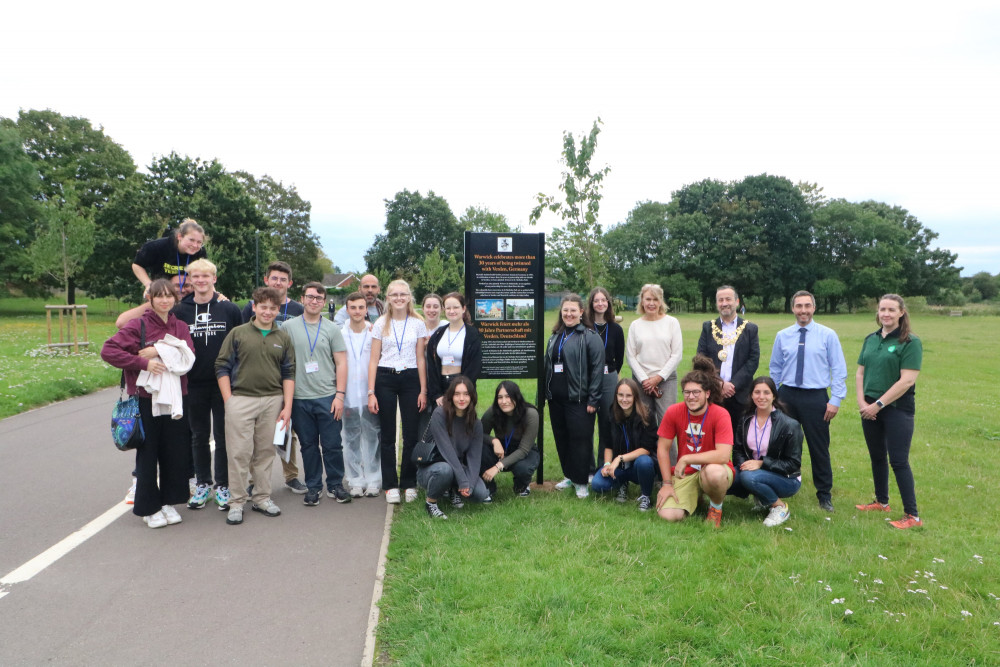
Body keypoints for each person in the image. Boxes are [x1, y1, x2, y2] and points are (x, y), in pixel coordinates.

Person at [101, 279, 196, 528]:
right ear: (150, 299)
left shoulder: (180, 326)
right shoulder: (138, 325)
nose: (164, 300)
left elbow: (188, 355)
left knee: (174, 453)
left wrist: (157, 350)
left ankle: (168, 502)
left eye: (169, 296)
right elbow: (109, 351)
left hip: (176, 399)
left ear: (175, 299)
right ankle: (148, 508)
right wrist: (144, 363)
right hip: (146, 399)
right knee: (148, 454)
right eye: (159, 296)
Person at [215, 286, 295, 525]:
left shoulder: (282, 337)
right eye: (263, 307)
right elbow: (222, 367)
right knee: (239, 452)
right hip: (241, 400)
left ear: (278, 310)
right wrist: (229, 400)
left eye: (272, 308)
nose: (267, 312)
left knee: (265, 453)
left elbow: (289, 372)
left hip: (272, 401)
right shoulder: (238, 333)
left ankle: (261, 497)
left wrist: (287, 406)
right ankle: (237, 502)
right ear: (254, 307)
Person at [173, 259, 243, 511]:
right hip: (193, 383)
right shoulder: (180, 310)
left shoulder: (229, 309)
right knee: (198, 435)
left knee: (224, 436)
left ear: (214, 279)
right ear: (189, 280)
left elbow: (240, 344)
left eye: (206, 276)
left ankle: (223, 486)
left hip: (224, 383)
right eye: (196, 276)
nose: (201, 281)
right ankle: (203, 483)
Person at [769, 290, 847, 512]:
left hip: (816, 397)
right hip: (787, 396)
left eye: (807, 306)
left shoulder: (827, 335)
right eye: (799, 306)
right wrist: (774, 397)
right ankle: (777, 486)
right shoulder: (782, 335)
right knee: (781, 444)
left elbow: (838, 369)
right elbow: (775, 367)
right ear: (792, 309)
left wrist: (836, 399)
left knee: (818, 447)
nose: (803, 310)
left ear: (814, 308)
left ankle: (824, 494)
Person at [855, 294, 923, 529]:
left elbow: (907, 381)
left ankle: (912, 516)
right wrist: (862, 402)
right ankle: (882, 501)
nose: (886, 314)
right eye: (883, 309)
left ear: (901, 312)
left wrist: (879, 404)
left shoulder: (910, 342)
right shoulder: (871, 339)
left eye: (891, 310)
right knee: (876, 456)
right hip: (870, 407)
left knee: (899, 460)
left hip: (896, 409)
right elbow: (860, 373)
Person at [241, 261, 308, 494]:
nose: (278, 283)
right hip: (259, 380)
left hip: (289, 378)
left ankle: (291, 476)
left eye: (283, 279)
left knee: (287, 430)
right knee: (257, 434)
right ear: (266, 280)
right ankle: (253, 482)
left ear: (289, 283)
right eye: (274, 278)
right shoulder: (251, 307)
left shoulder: (299, 309)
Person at [285, 282, 351, 506]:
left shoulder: (332, 328)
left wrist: (340, 395)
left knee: (332, 445)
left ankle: (335, 484)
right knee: (308, 445)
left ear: (324, 302)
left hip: (327, 396)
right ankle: (314, 486)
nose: (314, 301)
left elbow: (341, 363)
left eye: (319, 298)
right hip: (300, 397)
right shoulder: (288, 327)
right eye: (310, 297)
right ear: (302, 298)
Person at [655, 356, 734, 527]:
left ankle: (715, 508)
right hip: (687, 473)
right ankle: (695, 496)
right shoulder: (673, 411)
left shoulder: (721, 414)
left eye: (696, 392)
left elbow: (723, 455)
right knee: (668, 515)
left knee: (714, 473)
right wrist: (667, 483)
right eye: (687, 392)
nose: (691, 397)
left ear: (707, 393)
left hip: (715, 468)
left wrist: (687, 458)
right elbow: (662, 448)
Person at [368, 279, 428, 504]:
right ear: (388, 298)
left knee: (411, 433)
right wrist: (371, 392)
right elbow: (373, 360)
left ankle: (409, 483)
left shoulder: (418, 323)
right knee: (388, 434)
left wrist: (423, 390)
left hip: (411, 377)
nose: (399, 298)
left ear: (409, 297)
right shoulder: (380, 323)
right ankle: (390, 484)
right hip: (385, 377)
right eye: (394, 294)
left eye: (403, 294)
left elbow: (421, 358)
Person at [544, 294, 604, 498]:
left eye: (573, 310)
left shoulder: (589, 336)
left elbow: (597, 370)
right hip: (556, 399)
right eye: (565, 310)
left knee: (580, 440)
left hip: (580, 400)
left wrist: (594, 399)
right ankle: (570, 475)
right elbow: (548, 366)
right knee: (563, 439)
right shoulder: (555, 335)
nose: (568, 314)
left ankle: (581, 481)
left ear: (581, 312)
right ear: (561, 312)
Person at [728, 377, 803, 527]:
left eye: (766, 393)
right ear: (751, 395)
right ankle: (761, 497)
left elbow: (793, 464)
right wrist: (744, 465)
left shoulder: (790, 425)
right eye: (757, 392)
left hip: (786, 478)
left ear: (774, 396)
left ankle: (780, 508)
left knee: (750, 478)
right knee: (724, 479)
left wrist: (762, 463)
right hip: (750, 472)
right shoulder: (745, 420)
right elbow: (738, 450)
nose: (761, 397)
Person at [418, 376, 489, 519]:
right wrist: (463, 480)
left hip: (456, 466)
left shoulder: (476, 423)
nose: (461, 398)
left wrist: (471, 485)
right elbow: (447, 451)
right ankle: (431, 503)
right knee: (445, 470)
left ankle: (453, 490)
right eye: (457, 394)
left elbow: (474, 457)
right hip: (433, 468)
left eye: (466, 394)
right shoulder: (440, 414)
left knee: (480, 494)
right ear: (450, 396)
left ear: (472, 397)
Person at [696, 285, 760, 432]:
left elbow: (753, 360)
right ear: (717, 303)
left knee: (741, 439)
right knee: (712, 437)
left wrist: (733, 385)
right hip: (713, 393)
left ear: (737, 302)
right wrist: (719, 383)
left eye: (728, 299)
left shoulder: (750, 328)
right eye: (720, 300)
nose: (724, 303)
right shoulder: (708, 327)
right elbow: (701, 358)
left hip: (740, 394)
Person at [590, 378, 658, 512]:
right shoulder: (611, 413)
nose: (624, 399)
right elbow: (607, 444)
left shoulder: (646, 414)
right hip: (619, 468)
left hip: (639, 466)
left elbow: (646, 449)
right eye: (620, 395)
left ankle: (646, 496)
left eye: (628, 395)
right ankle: (622, 483)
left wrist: (619, 458)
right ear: (616, 396)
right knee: (597, 484)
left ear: (635, 397)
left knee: (644, 462)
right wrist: (607, 465)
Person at [341, 291, 382, 497]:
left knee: (372, 437)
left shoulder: (374, 332)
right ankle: (355, 479)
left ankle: (374, 478)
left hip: (369, 393)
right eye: (353, 308)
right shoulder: (340, 333)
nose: (357, 311)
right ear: (347, 309)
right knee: (350, 438)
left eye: (361, 307)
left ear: (367, 309)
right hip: (348, 394)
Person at [626, 283, 683, 429]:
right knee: (644, 421)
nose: (651, 303)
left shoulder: (672, 323)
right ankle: (647, 452)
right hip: (641, 382)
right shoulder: (635, 325)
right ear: (642, 301)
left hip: (666, 379)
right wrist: (645, 380)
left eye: (655, 299)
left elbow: (676, 354)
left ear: (661, 301)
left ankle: (668, 453)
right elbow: (631, 356)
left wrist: (658, 378)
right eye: (648, 299)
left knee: (667, 422)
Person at [586, 287, 625, 476]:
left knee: (607, 422)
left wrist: (613, 375)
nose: (600, 303)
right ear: (591, 304)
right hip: (587, 378)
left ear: (608, 303)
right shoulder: (584, 327)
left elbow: (620, 357)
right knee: (586, 423)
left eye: (603, 300)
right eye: (596, 300)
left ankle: (604, 465)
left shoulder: (616, 329)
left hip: (609, 377)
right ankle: (588, 468)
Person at [479, 381, 540, 497]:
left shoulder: (531, 414)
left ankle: (521, 486)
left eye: (508, 397)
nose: (504, 401)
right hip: (501, 450)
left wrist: (498, 466)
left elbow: (523, 450)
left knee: (523, 469)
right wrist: (494, 441)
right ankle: (488, 488)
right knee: (479, 449)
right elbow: (479, 435)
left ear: (516, 397)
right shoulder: (493, 412)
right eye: (500, 397)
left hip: (524, 452)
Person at [426, 292, 482, 408]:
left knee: (462, 424)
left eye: (456, 307)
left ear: (463, 308)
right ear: (444, 310)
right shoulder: (438, 333)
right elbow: (431, 365)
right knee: (441, 423)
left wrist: (461, 391)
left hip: (462, 386)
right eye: (448, 308)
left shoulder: (472, 334)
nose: (452, 311)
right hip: (441, 386)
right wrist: (437, 394)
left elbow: (474, 366)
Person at [131, 219, 206, 296]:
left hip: (187, 295)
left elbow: (205, 273)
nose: (195, 245)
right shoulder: (157, 247)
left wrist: (212, 292)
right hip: (161, 293)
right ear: (179, 236)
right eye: (191, 240)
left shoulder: (200, 252)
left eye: (199, 242)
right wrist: (148, 284)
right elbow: (137, 265)